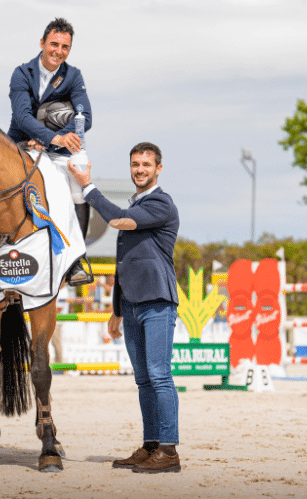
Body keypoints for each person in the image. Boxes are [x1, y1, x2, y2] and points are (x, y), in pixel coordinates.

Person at [66, 141, 182, 474]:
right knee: (144, 380)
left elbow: (118, 220)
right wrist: (116, 309)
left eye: (146, 164)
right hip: (131, 305)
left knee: (160, 377)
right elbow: (124, 264)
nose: (140, 170)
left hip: (157, 301)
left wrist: (87, 186)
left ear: (158, 168)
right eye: (135, 164)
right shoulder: (137, 202)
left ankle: (170, 451)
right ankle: (150, 448)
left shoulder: (161, 203)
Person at [7, 17, 93, 285]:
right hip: (21, 145)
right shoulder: (22, 73)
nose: (58, 51)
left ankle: (75, 260)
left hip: (58, 149)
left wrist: (55, 139)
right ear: (42, 43)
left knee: (80, 179)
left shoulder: (73, 75)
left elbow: (85, 116)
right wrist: (51, 137)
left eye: (65, 47)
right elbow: (22, 117)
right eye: (54, 44)